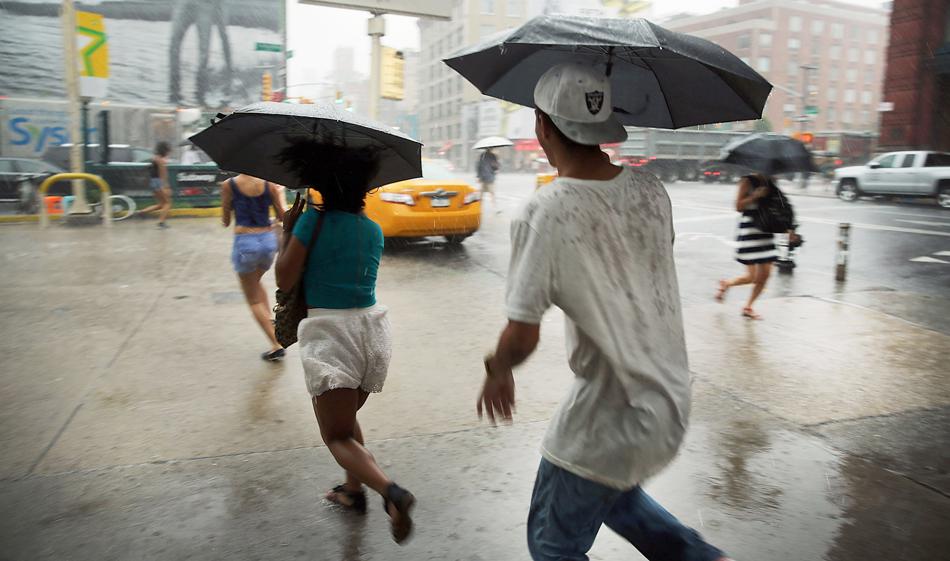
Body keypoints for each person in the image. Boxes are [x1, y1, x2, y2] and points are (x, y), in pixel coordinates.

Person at [477, 63, 731, 561]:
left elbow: (522, 336)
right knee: (611, 494)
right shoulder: (652, 191)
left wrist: (496, 369)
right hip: (667, 401)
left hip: (608, 415)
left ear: (542, 127)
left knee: (553, 544)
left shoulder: (546, 211)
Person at [274, 139, 415, 544]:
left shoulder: (310, 224)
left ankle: (391, 493)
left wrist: (287, 232)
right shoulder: (372, 229)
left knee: (336, 437)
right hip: (372, 336)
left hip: (331, 337)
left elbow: (285, 279)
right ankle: (353, 492)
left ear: (320, 182)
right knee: (347, 423)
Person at [221, 174, 286, 361]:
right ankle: (270, 321)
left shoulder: (229, 185)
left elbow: (225, 221)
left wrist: (232, 206)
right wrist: (279, 194)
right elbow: (282, 216)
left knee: (252, 299)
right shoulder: (269, 184)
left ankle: (276, 344)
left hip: (245, 243)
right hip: (268, 242)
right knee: (256, 283)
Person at [715, 173, 778, 319]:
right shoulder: (747, 181)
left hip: (766, 232)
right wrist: (756, 195)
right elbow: (738, 206)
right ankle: (729, 286)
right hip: (750, 232)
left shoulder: (771, 181)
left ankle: (747, 306)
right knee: (752, 277)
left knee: (765, 275)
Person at [139, 142, 173, 228]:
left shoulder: (155, 158)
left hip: (153, 182)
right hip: (159, 182)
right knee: (168, 203)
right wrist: (165, 186)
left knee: (161, 204)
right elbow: (163, 174)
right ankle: (161, 222)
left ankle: (142, 212)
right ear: (164, 150)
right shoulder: (160, 160)